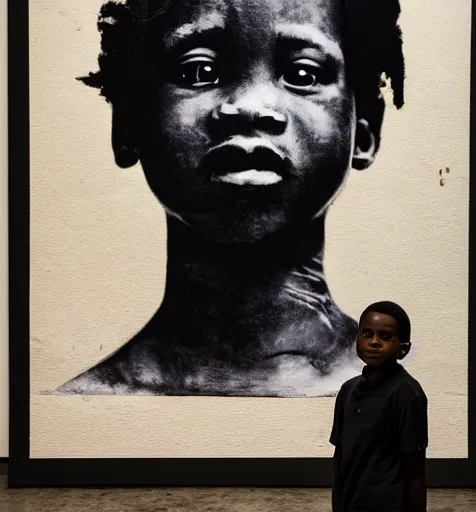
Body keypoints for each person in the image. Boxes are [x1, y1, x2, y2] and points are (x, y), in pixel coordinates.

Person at [57, 0, 405, 397]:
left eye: (303, 74)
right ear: (128, 125)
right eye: (198, 71)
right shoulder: (80, 410)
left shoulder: (407, 394)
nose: (249, 107)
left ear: (365, 129)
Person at [330, 301, 428, 511]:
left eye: (385, 337)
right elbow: (339, 458)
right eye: (367, 334)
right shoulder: (347, 391)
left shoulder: (407, 394)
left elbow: (416, 472)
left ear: (403, 349)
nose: (374, 342)